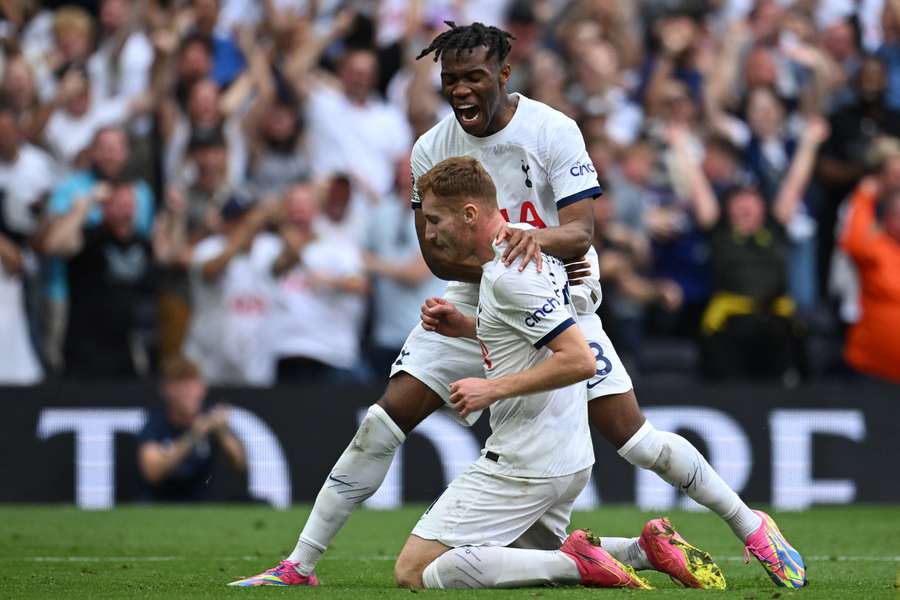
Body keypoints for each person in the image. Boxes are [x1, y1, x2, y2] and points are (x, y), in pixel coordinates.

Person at [231, 22, 806, 590]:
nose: (460, 90)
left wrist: (534, 254)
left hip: (550, 300)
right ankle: (299, 565)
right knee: (381, 423)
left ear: (503, 74)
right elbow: (436, 254)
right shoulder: (431, 147)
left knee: (633, 437)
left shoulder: (552, 130)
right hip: (477, 301)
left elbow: (580, 230)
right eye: (450, 78)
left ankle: (752, 526)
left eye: (473, 77)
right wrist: (506, 262)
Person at [391, 157, 714, 590]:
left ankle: (581, 566)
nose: (428, 234)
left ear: (470, 214)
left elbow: (580, 360)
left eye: (434, 220)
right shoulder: (528, 255)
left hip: (527, 457)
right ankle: (643, 549)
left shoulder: (509, 274)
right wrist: (469, 327)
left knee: (414, 571)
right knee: (524, 557)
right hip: (566, 452)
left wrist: (491, 389)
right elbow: (532, 335)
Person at [42, 179, 157, 378]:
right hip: (84, 352)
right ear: (105, 208)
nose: (126, 212)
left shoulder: (142, 243)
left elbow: (169, 255)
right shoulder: (89, 237)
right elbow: (52, 245)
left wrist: (175, 215)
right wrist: (85, 205)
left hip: (127, 353)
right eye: (120, 205)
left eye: (130, 206)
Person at [137, 356, 246, 502]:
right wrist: (193, 435)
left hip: (204, 504)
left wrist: (223, 431)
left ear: (202, 389)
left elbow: (239, 463)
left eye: (192, 384)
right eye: (179, 385)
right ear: (166, 390)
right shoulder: (156, 422)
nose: (187, 392)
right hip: (162, 503)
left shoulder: (211, 416)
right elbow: (152, 472)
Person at [840, 177, 900, 383]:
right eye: (898, 215)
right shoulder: (876, 249)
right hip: (872, 373)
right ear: (886, 220)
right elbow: (852, 239)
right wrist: (864, 196)